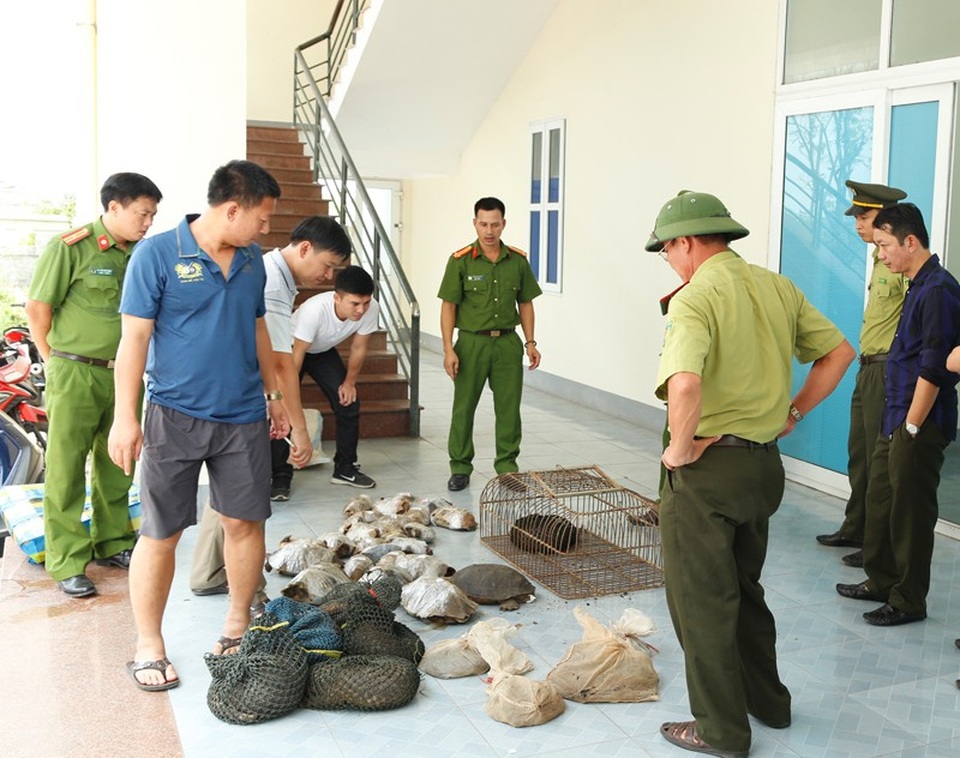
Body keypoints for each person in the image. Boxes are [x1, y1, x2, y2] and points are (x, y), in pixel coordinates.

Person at [647, 190, 855, 757]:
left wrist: (679, 452)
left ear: (687, 242)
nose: (669, 260)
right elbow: (839, 352)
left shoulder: (695, 297)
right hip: (762, 468)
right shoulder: (776, 286)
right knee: (745, 590)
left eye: (667, 250)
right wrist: (794, 413)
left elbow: (685, 384)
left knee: (702, 603)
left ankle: (720, 730)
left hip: (710, 473)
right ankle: (769, 702)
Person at [107, 160, 289, 692]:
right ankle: (148, 644)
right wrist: (125, 417)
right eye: (261, 218)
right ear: (232, 210)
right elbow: (134, 340)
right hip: (174, 415)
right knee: (161, 532)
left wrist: (274, 395)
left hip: (243, 417)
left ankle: (236, 626)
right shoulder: (157, 254)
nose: (266, 229)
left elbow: (257, 326)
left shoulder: (252, 260)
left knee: (245, 524)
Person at [189, 216, 353, 602]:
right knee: (248, 494)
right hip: (238, 395)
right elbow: (281, 364)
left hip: (223, 389)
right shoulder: (273, 281)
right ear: (305, 248)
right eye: (327, 265)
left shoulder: (264, 270)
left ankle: (208, 572)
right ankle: (250, 591)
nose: (328, 276)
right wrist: (300, 429)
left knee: (230, 488)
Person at [25, 172, 162, 598]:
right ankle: (68, 559)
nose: (148, 223)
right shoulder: (71, 247)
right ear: (114, 207)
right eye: (142, 214)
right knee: (66, 466)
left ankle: (113, 542)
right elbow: (38, 309)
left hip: (125, 373)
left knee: (118, 460)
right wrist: (53, 361)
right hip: (75, 371)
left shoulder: (143, 254)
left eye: (153, 216)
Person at [837, 203, 960, 627]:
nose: (881, 254)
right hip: (895, 416)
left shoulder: (938, 290)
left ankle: (908, 599)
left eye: (885, 245)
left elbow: (936, 365)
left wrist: (911, 425)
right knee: (881, 499)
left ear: (910, 241)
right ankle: (882, 579)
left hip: (918, 422)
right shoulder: (916, 284)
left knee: (910, 513)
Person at [816, 180, 907, 569]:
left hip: (886, 369)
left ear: (885, 219)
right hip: (868, 367)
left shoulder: (899, 262)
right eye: (856, 217)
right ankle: (855, 527)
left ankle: (874, 544)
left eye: (864, 217)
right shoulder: (878, 259)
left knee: (876, 459)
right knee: (859, 454)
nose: (857, 224)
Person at [438, 196, 542, 491]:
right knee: (464, 408)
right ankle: (460, 467)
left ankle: (507, 469)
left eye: (495, 225)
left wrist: (530, 342)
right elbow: (448, 306)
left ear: (503, 224)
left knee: (509, 409)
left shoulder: (517, 261)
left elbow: (526, 303)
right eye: (483, 224)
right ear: (475, 223)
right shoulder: (460, 261)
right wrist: (448, 349)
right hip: (471, 343)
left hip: (508, 343)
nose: (489, 231)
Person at [289, 264, 380, 489]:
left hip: (321, 351)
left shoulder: (371, 308)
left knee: (348, 402)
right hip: (291, 349)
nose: (361, 310)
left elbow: (359, 347)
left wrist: (349, 383)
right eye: (355, 304)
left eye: (366, 302)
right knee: (283, 410)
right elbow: (297, 355)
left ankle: (345, 468)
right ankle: (279, 475)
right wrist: (287, 397)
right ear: (337, 298)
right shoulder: (314, 311)